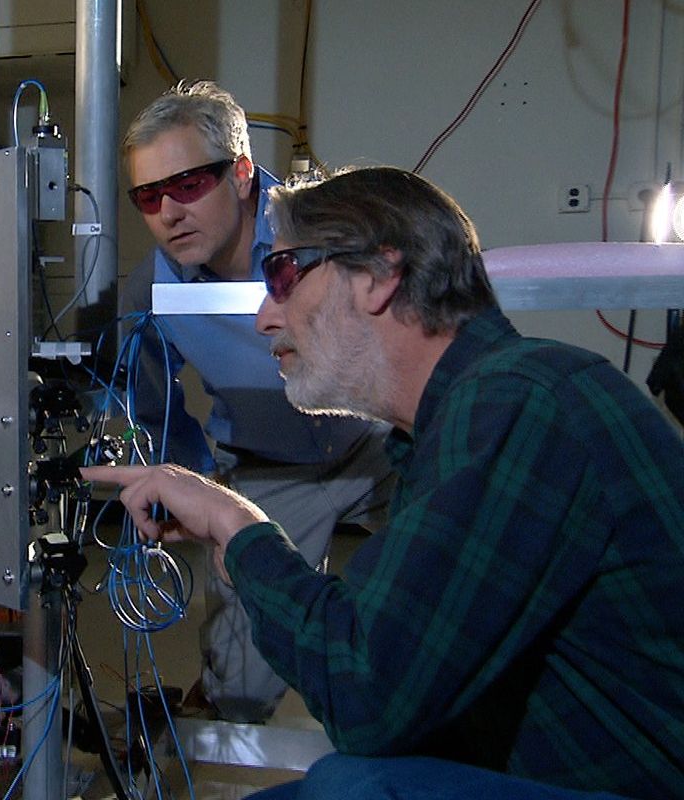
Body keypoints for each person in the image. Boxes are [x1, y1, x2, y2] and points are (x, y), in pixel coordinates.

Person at [84, 166, 684, 799]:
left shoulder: (522, 405)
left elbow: (362, 691)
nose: (263, 318)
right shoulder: (460, 421)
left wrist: (239, 529)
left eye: (283, 275)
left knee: (352, 785)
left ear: (376, 275)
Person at [120, 80, 394, 723]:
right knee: (237, 689)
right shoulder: (152, 290)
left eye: (188, 185)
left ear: (242, 174)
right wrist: (196, 485)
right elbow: (151, 400)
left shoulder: (328, 230)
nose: (169, 212)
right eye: (149, 196)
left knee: (443, 594)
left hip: (373, 444)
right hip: (268, 471)